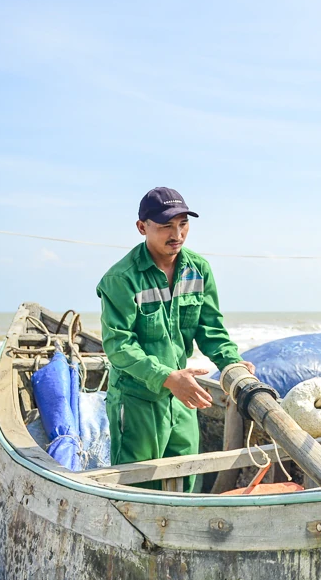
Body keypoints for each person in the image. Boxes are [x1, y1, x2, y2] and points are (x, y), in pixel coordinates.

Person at [96, 187, 252, 490]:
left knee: (185, 476)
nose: (177, 234)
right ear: (142, 227)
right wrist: (167, 377)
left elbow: (210, 329)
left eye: (183, 224)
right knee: (137, 485)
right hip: (137, 397)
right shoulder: (122, 278)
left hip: (182, 395)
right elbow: (118, 346)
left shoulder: (198, 270)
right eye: (166, 225)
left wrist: (232, 363)